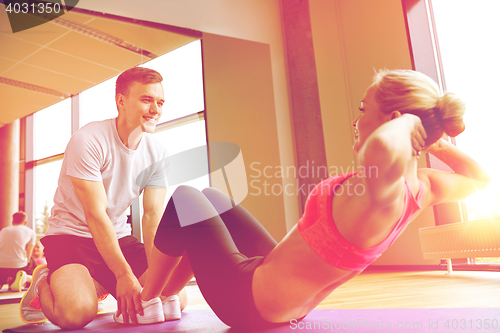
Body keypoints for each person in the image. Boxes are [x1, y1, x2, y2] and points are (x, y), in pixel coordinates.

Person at [133, 69, 489, 329]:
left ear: (394, 122)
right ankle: (166, 298)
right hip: (281, 297)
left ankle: (144, 299)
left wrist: (411, 124)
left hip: (247, 302)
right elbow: (479, 178)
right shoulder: (420, 188)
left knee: (184, 199)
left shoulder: (382, 193)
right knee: (212, 198)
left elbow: (380, 148)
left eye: (364, 109)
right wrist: (433, 138)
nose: (357, 120)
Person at [20, 67, 190, 329]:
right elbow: (95, 214)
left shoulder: (157, 152)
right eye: (146, 100)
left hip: (119, 237)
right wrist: (123, 274)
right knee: (75, 314)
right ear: (121, 101)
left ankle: (97, 281)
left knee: (175, 298)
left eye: (160, 102)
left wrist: (156, 280)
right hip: (71, 236)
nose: (155, 109)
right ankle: (43, 280)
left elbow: (152, 216)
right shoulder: (89, 139)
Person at [0, 212, 37, 292]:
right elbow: (28, 253)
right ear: (25, 222)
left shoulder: (3, 231)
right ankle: (25, 278)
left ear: (12, 222)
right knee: (31, 261)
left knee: (3, 274)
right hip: (19, 267)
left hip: (1, 266)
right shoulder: (30, 232)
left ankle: (4, 281)